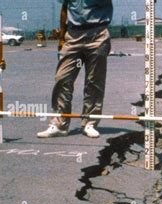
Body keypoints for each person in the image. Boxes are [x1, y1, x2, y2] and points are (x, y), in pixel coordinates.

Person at [37, 0, 113, 138]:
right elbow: (65, 8)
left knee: (94, 82)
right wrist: (61, 37)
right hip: (73, 35)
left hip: (98, 34)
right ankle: (59, 124)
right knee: (62, 79)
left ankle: (90, 122)